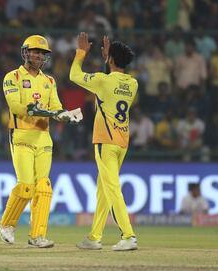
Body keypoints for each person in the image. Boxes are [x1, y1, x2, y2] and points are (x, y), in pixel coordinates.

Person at [0, 35, 82, 248]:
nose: (38, 55)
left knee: (43, 187)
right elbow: (16, 106)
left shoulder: (49, 81)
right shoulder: (12, 77)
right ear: (25, 52)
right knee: (26, 186)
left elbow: (56, 106)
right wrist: (37, 110)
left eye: (42, 53)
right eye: (35, 51)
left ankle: (37, 236)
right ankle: (7, 224)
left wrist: (66, 114)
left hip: (43, 137)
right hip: (21, 136)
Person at [70, 32, 138, 251]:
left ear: (110, 60)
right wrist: (109, 60)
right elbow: (113, 81)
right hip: (122, 143)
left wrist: (81, 52)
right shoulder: (132, 84)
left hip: (105, 141)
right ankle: (94, 237)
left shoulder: (102, 80)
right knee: (104, 189)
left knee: (111, 188)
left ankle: (128, 235)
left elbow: (74, 75)